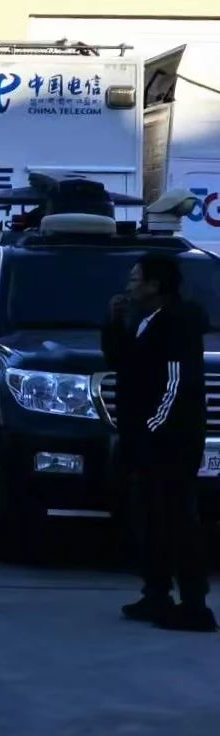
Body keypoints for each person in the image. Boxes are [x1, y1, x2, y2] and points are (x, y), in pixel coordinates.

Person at [103, 254, 214, 632]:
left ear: (155, 285)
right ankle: (156, 593)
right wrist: (114, 323)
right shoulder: (144, 321)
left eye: (136, 279)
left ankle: (195, 605)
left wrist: (152, 427)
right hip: (144, 440)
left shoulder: (177, 323)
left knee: (178, 520)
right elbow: (121, 362)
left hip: (171, 442)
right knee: (148, 518)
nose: (129, 285)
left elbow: (176, 384)